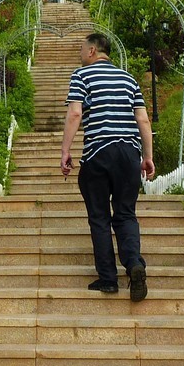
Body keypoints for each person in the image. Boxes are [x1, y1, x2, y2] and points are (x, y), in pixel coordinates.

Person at [59, 32, 155, 302]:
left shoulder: (82, 75)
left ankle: (108, 280)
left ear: (92, 51)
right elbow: (144, 121)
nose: (80, 54)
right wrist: (147, 157)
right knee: (125, 214)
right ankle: (134, 263)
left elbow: (75, 113)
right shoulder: (129, 79)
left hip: (98, 153)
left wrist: (66, 151)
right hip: (128, 154)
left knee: (100, 217)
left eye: (81, 49)